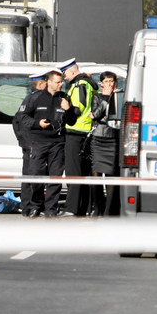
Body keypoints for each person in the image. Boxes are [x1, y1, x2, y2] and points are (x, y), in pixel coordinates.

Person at [17, 69, 77, 217]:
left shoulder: (65, 98)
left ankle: (51, 210)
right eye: (57, 82)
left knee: (55, 178)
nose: (60, 85)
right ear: (49, 82)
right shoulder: (35, 98)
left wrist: (68, 109)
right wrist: (37, 123)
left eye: (62, 82)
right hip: (38, 142)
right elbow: (22, 117)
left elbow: (72, 121)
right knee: (35, 175)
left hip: (58, 143)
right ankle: (36, 205)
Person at [60, 58, 97, 216]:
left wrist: (68, 110)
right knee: (84, 172)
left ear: (72, 71)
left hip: (76, 132)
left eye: (65, 73)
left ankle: (71, 208)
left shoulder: (80, 84)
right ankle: (85, 208)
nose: (64, 77)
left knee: (73, 172)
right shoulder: (87, 83)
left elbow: (79, 107)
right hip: (85, 132)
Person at [12, 69, 49, 217]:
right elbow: (21, 120)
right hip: (35, 143)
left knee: (28, 174)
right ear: (40, 84)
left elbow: (17, 121)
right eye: (47, 82)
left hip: (28, 143)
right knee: (35, 175)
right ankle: (34, 206)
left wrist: (23, 141)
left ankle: (27, 206)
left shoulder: (29, 98)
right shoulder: (39, 98)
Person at [88, 71, 121, 216]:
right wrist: (106, 98)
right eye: (106, 81)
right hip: (98, 137)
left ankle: (109, 210)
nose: (109, 84)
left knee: (111, 174)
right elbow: (96, 114)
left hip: (112, 138)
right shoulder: (96, 96)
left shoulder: (119, 96)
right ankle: (98, 208)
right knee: (96, 173)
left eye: (111, 81)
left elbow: (118, 116)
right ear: (101, 84)